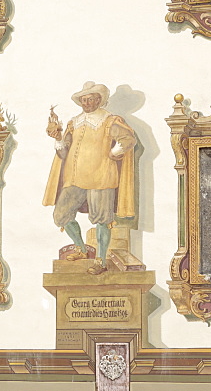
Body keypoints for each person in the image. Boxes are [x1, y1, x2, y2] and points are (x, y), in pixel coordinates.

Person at [43, 82, 136, 275]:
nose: (87, 102)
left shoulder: (109, 120)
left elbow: (128, 139)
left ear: (99, 100)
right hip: (74, 178)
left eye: (91, 99)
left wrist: (113, 153)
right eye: (84, 99)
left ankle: (100, 261)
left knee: (102, 220)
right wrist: (58, 138)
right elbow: (64, 151)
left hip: (101, 177)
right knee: (61, 215)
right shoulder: (74, 122)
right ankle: (82, 249)